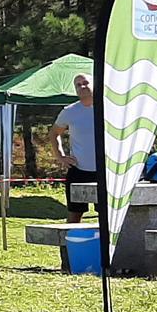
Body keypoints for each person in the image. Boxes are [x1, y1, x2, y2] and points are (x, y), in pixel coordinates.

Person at [52, 73, 97, 223]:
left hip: (105, 172)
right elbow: (54, 134)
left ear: (94, 84)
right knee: (74, 214)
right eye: (78, 85)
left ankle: (106, 246)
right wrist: (61, 157)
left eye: (85, 83)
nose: (82, 87)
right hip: (78, 171)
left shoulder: (108, 107)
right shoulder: (69, 111)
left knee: (107, 216)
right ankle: (70, 245)